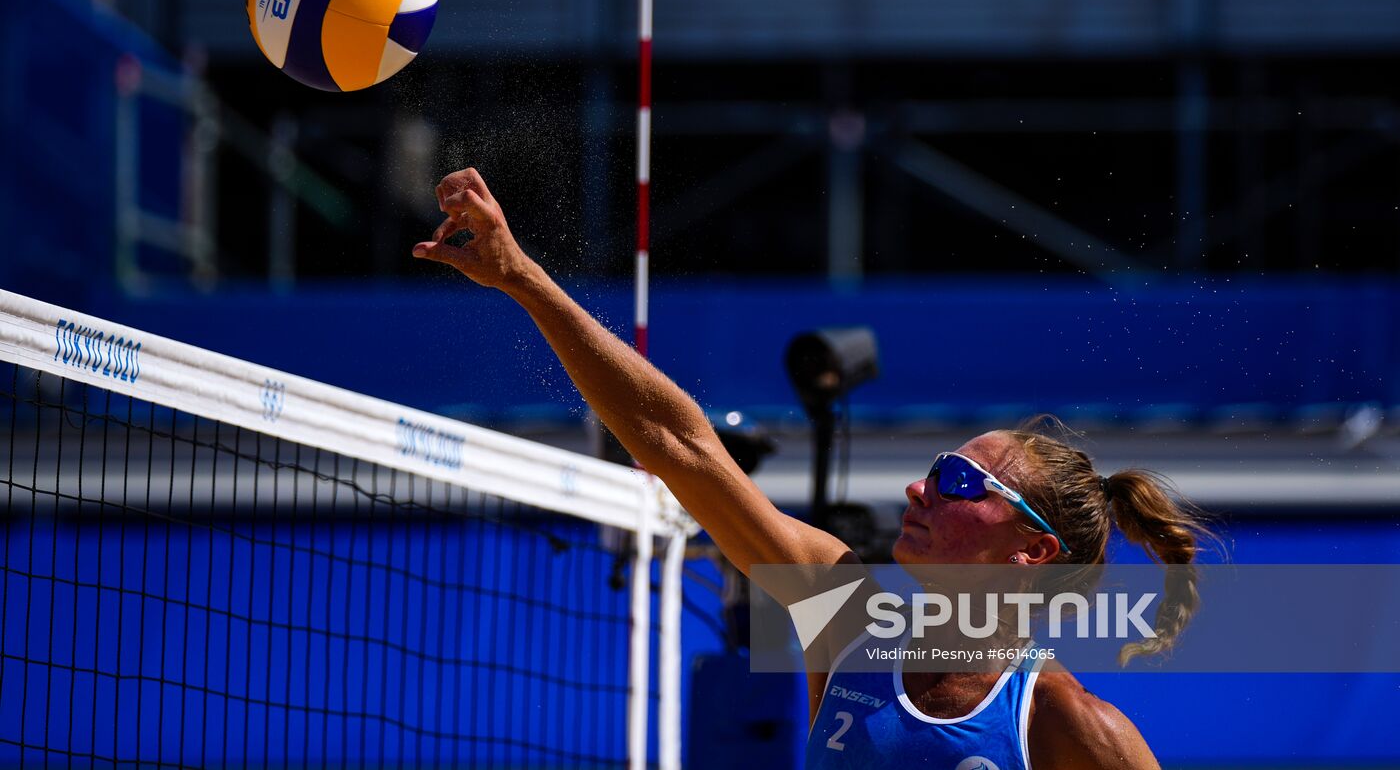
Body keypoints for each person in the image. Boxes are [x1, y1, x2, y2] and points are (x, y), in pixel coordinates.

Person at [413, 168, 1215, 770]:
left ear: (1031, 551)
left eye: (960, 482)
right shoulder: (846, 615)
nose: (919, 487)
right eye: (938, 467)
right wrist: (520, 274)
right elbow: (676, 442)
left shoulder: (1069, 727)